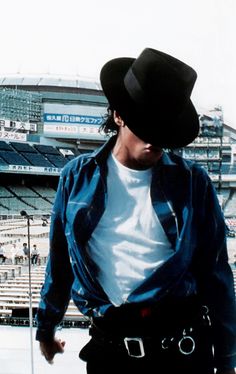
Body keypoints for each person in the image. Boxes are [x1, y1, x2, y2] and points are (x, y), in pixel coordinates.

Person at [35, 48, 236, 374]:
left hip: (181, 353)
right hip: (108, 353)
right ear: (119, 115)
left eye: (165, 130)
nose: (156, 140)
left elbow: (216, 275)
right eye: (147, 126)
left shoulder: (192, 182)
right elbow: (59, 261)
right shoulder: (75, 177)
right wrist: (46, 328)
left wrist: (228, 361)